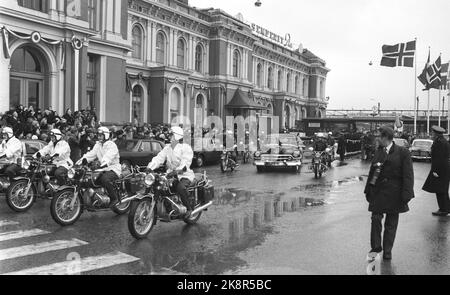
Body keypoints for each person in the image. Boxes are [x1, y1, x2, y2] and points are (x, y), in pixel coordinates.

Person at [364, 126, 414, 260]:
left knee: (391, 224)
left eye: (379, 136)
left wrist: (407, 194)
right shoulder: (378, 151)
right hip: (378, 192)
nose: (377, 138)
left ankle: (387, 250)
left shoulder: (402, 152)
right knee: (375, 219)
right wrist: (367, 190)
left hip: (395, 193)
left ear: (385, 137)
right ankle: (376, 247)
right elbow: (372, 172)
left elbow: (408, 175)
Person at [146, 126, 195, 217]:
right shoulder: (167, 148)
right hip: (169, 174)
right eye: (169, 134)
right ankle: (168, 208)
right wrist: (150, 167)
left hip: (184, 175)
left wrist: (177, 171)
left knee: (180, 188)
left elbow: (185, 163)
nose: (169, 136)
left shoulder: (186, 148)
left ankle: (189, 209)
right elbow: (159, 158)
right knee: (159, 186)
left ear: (177, 136)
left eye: (171, 134)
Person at [76, 127, 122, 208]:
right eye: (99, 135)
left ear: (106, 135)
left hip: (113, 168)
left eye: (101, 135)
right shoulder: (98, 145)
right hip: (102, 168)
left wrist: (101, 164)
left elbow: (108, 157)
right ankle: (94, 197)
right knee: (89, 178)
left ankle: (114, 198)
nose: (99, 137)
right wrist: (80, 161)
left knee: (104, 179)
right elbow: (91, 154)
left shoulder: (112, 145)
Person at [422, 125, 450, 216]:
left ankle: (443, 210)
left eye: (433, 133)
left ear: (436, 134)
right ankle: (446, 208)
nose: (432, 134)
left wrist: (435, 170)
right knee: (443, 190)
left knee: (440, 190)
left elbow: (439, 158)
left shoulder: (440, 143)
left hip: (440, 170)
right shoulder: (442, 141)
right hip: (444, 170)